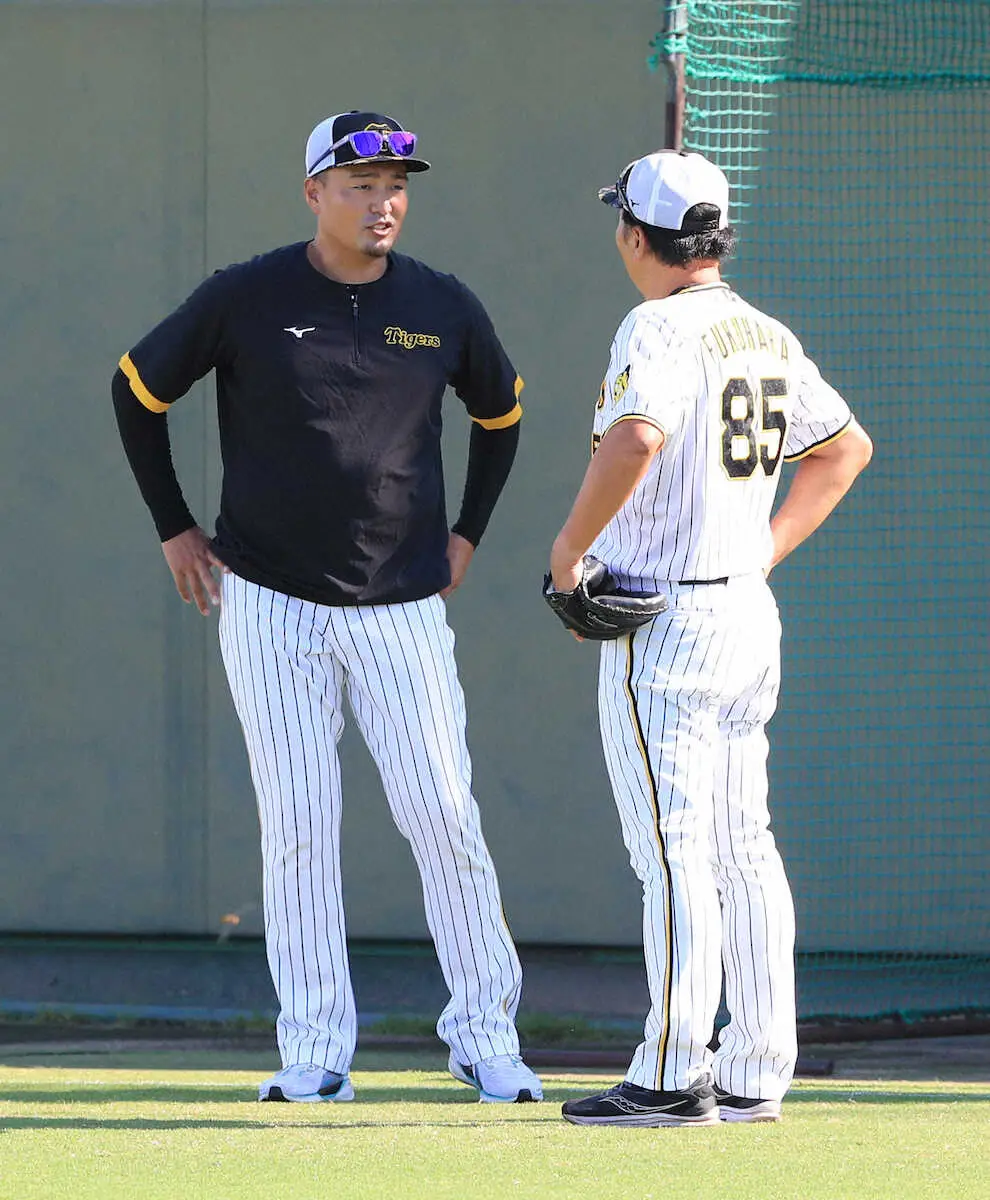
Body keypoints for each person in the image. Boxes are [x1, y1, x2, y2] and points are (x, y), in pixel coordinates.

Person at [112, 110, 542, 1106]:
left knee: (444, 814)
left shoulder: (443, 305)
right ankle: (316, 1052)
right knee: (300, 825)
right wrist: (175, 526)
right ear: (314, 194)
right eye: (358, 184)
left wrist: (467, 534)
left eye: (395, 185)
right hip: (266, 598)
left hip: (401, 607)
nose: (382, 201)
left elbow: (503, 416)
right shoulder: (246, 295)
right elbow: (137, 390)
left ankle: (487, 1038)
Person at [550, 150, 873, 1127]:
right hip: (742, 611)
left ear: (635, 236)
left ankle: (668, 1070)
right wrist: (765, 550)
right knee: (743, 845)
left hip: (668, 618)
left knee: (674, 852)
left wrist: (570, 552)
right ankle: (756, 1066)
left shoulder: (655, 323)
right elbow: (845, 446)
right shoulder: (762, 329)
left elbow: (638, 436)